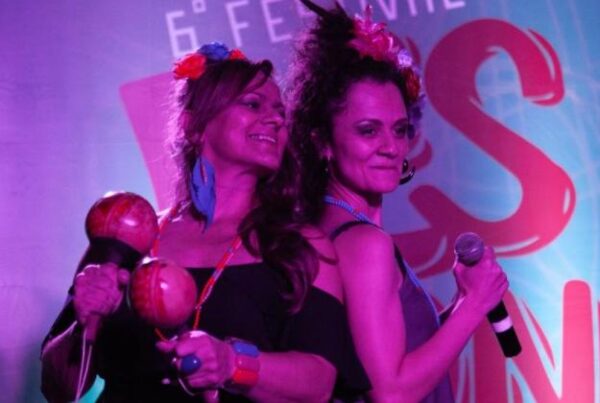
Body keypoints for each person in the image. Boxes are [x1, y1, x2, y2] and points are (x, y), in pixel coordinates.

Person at [41, 42, 368, 402]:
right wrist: (83, 326)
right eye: (253, 104)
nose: (276, 120)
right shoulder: (128, 235)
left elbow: (319, 383)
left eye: (280, 112)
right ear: (194, 125)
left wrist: (233, 364)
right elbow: (58, 388)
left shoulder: (300, 245)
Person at [287, 2, 509, 402]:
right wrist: (475, 305)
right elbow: (390, 392)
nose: (391, 147)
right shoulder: (363, 243)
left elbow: (384, 359)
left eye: (400, 129)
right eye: (368, 130)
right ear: (322, 142)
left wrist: (462, 301)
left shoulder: (330, 227)